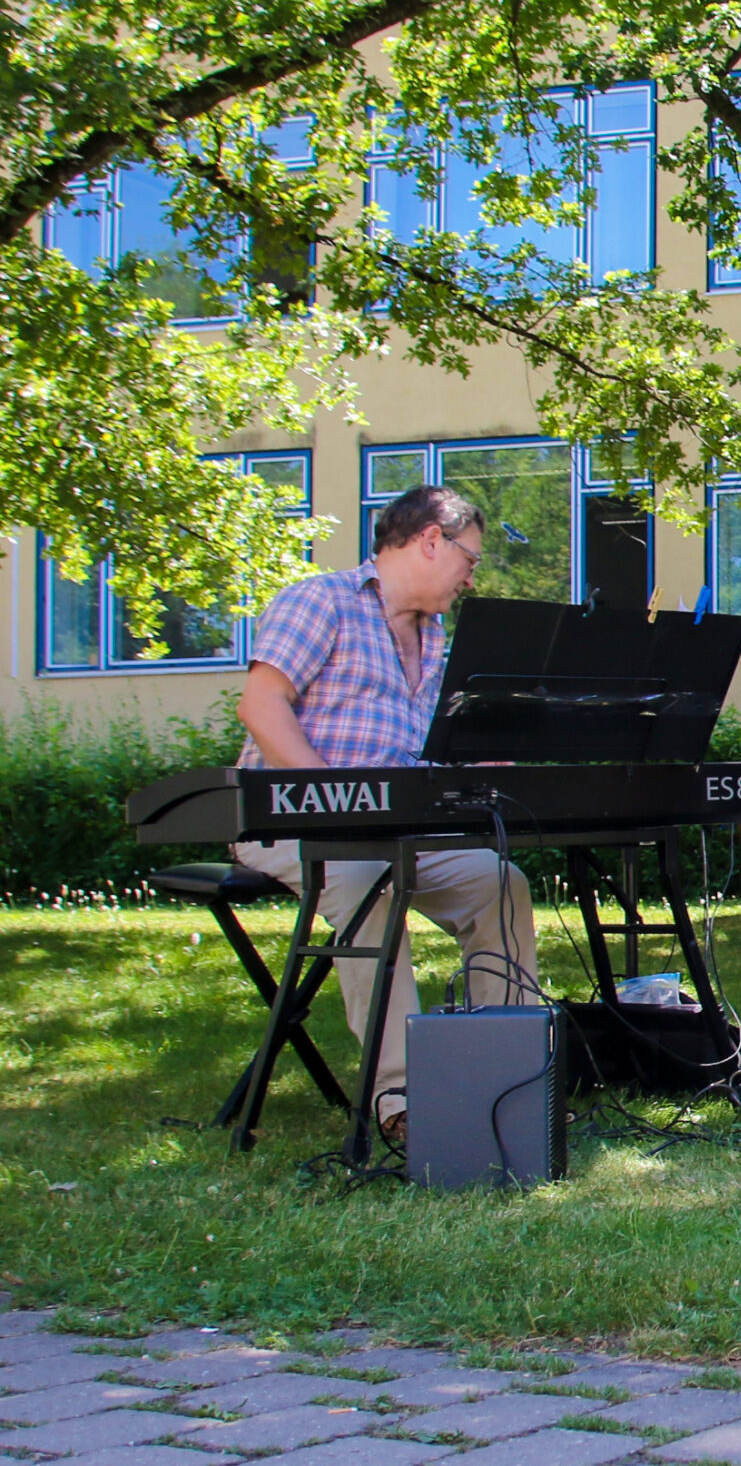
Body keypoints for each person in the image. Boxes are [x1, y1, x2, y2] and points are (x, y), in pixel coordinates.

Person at [231, 485, 537, 1144]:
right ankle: (402, 1099)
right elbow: (261, 705)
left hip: (398, 828)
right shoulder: (323, 600)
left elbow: (423, 755)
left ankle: (506, 1080)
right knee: (370, 880)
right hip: (292, 821)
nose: (470, 575)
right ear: (431, 539)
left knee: (500, 882)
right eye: (470, 558)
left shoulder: (438, 639)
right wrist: (330, 804)